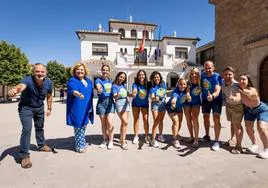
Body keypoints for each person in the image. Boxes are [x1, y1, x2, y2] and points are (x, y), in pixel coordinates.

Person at [8, 63, 53, 169]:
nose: (40, 73)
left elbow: (49, 95)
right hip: (26, 108)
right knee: (27, 129)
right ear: (33, 72)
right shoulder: (28, 80)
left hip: (39, 107)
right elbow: (21, 86)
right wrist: (15, 90)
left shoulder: (49, 82)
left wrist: (49, 108)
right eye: (37, 71)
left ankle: (41, 145)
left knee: (39, 127)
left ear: (45, 73)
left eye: (42, 71)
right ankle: (24, 155)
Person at [239, 74, 268, 159]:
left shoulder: (252, 89)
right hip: (248, 110)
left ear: (248, 81)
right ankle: (254, 144)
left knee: (262, 128)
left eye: (244, 79)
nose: (241, 81)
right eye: (240, 80)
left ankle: (267, 149)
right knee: (249, 128)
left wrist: (244, 91)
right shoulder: (239, 89)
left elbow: (252, 95)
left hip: (261, 109)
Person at [66, 63, 94, 153]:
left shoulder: (88, 81)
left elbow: (91, 92)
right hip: (77, 107)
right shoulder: (72, 80)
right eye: (78, 69)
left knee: (84, 125)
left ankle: (82, 142)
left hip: (87, 107)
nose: (80, 71)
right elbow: (72, 89)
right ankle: (79, 147)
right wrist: (77, 93)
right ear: (74, 71)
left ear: (85, 71)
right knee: (78, 125)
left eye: (82, 69)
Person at [201, 61, 222, 151]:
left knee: (216, 118)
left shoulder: (217, 76)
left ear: (213, 68)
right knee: (206, 117)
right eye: (206, 68)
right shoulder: (202, 75)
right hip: (205, 100)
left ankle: (216, 141)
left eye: (209, 68)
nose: (208, 70)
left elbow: (218, 89)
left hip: (216, 99)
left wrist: (212, 96)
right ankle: (207, 135)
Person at [222, 67, 244, 154]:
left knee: (237, 125)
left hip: (237, 107)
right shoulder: (223, 82)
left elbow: (238, 96)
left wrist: (234, 98)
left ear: (233, 75)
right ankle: (233, 139)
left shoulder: (236, 85)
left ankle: (239, 146)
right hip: (229, 105)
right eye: (225, 74)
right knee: (232, 123)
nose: (227, 76)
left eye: (230, 74)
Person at [95, 64, 115, 149]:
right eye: (104, 70)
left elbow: (115, 90)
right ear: (101, 71)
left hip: (110, 103)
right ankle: (105, 139)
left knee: (109, 123)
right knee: (103, 123)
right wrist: (99, 90)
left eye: (107, 70)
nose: (105, 71)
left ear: (109, 71)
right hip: (101, 103)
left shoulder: (111, 81)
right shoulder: (98, 80)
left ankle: (111, 141)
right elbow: (98, 87)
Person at [166, 78, 189, 148]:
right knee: (176, 122)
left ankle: (176, 134)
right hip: (171, 108)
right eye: (181, 84)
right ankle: (175, 140)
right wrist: (173, 102)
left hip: (179, 108)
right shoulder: (176, 91)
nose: (183, 86)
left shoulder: (186, 91)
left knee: (180, 122)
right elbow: (174, 97)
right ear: (178, 85)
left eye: (184, 84)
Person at [184, 68, 202, 147]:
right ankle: (191, 136)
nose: (193, 75)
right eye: (192, 73)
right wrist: (188, 96)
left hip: (196, 103)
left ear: (198, 74)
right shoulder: (188, 82)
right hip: (187, 103)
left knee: (195, 119)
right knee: (188, 120)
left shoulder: (200, 83)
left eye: (195, 73)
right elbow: (187, 91)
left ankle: (196, 139)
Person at [112, 72, 130, 150]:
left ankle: (121, 138)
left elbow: (127, 94)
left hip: (126, 104)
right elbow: (114, 96)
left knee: (124, 123)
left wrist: (132, 94)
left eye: (123, 77)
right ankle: (123, 142)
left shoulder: (124, 86)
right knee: (125, 122)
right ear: (118, 77)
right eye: (121, 77)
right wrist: (118, 95)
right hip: (119, 104)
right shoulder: (114, 86)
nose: (122, 78)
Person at [131, 70, 150, 144]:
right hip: (135, 104)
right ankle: (136, 136)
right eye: (140, 75)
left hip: (145, 104)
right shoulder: (135, 84)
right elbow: (134, 90)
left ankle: (146, 136)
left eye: (142, 75)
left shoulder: (148, 84)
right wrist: (134, 93)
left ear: (145, 76)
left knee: (145, 120)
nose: (141, 76)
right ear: (138, 76)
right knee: (136, 119)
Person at [149, 71, 166, 148]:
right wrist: (154, 98)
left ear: (160, 77)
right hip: (155, 105)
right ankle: (153, 139)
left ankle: (160, 135)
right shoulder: (152, 87)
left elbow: (164, 92)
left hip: (162, 104)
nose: (156, 78)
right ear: (153, 78)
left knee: (161, 121)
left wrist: (160, 96)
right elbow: (152, 96)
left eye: (158, 77)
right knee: (156, 121)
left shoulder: (163, 84)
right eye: (155, 77)